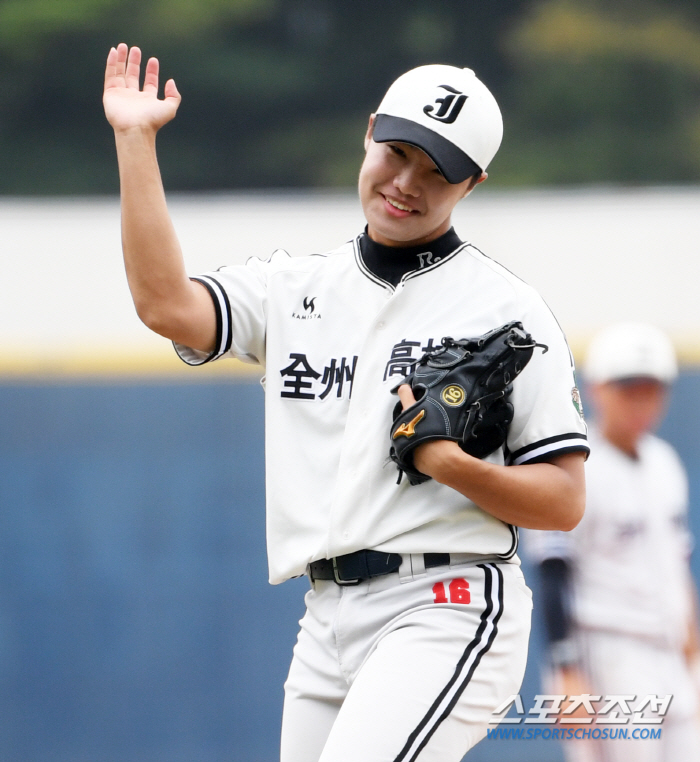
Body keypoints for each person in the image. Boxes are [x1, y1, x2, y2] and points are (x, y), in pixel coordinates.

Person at [103, 43, 589, 762]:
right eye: (398, 152)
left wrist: (454, 467)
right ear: (369, 131)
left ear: (473, 184)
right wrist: (136, 140)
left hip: (447, 602)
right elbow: (165, 304)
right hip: (326, 616)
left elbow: (564, 500)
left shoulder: (506, 312)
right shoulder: (294, 289)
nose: (406, 182)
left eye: (438, 171)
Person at [527, 322, 700, 762]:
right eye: (629, 388)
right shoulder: (572, 467)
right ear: (596, 388)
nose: (641, 401)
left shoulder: (664, 462)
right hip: (608, 653)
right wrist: (566, 671)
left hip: (671, 651)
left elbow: (677, 566)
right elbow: (552, 571)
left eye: (651, 389)